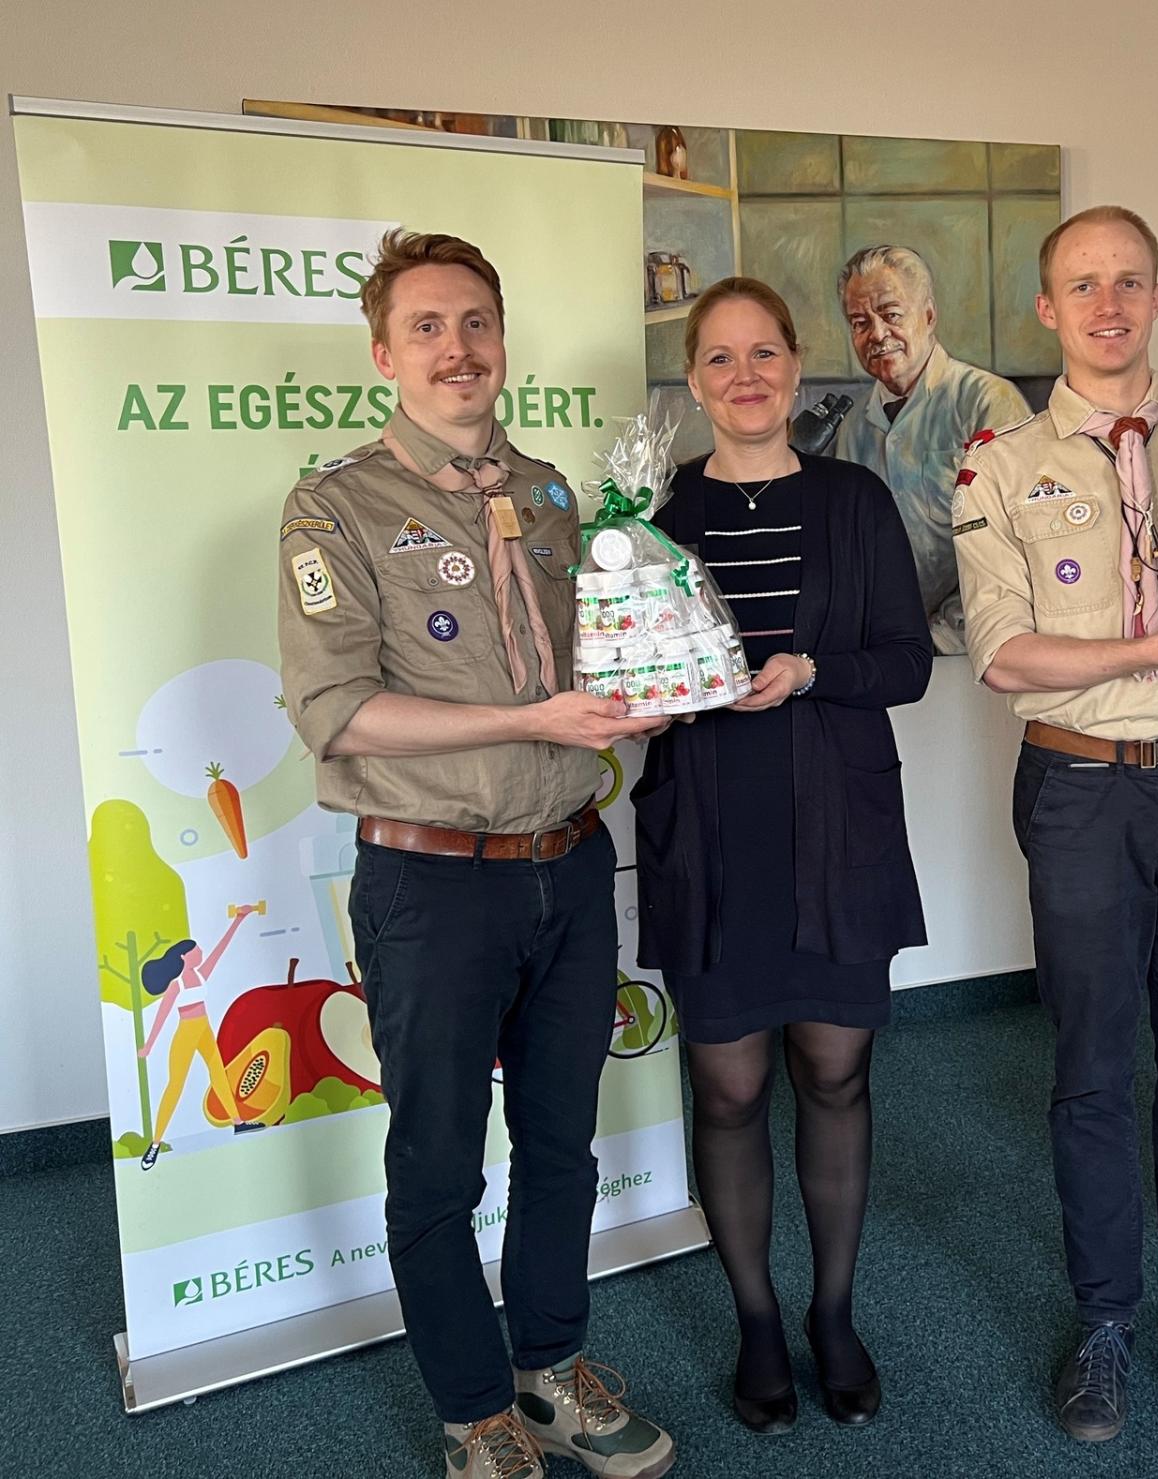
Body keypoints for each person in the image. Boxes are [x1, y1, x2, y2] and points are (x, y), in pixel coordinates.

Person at [277, 230, 674, 1479]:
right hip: (432, 879)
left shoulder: (554, 497)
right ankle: (473, 1412)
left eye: (477, 323)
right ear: (384, 355)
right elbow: (336, 711)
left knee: (561, 1145)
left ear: (502, 340)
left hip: (571, 865)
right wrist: (529, 722)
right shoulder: (335, 506)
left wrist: (652, 688)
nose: (458, 349)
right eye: (429, 327)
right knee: (439, 1162)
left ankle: (551, 1370)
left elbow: (591, 667)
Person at [953, 205, 1158, 1444]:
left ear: (1156, 295)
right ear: (1048, 308)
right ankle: (1104, 1320)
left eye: (1128, 281)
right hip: (1083, 789)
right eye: (1081, 285)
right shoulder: (998, 465)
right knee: (1091, 1069)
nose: (1107, 304)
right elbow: (1003, 654)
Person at [635, 277, 932, 1433]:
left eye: (764, 353)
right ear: (694, 382)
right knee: (728, 1089)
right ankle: (756, 1320)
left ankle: (833, 1313)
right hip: (708, 833)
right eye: (720, 358)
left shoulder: (854, 501)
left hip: (838, 831)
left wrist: (813, 673)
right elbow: (621, 674)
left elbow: (905, 661)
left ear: (796, 368)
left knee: (836, 1075)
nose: (745, 376)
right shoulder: (652, 514)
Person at [834, 245, 1032, 655]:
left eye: (891, 314)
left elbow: (1019, 546)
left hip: (976, 648)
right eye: (860, 322)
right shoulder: (853, 428)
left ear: (928, 315)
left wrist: (941, 636)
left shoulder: (988, 402)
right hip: (886, 651)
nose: (877, 334)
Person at [135, 904, 262, 1168]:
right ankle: (155, 1144)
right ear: (184, 957)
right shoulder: (177, 985)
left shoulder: (200, 975)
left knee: (218, 1074)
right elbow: (162, 1016)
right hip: (186, 1032)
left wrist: (238, 920)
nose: (201, 952)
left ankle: (238, 1122)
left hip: (203, 1028)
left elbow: (220, 950)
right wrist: (149, 1045)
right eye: (196, 951)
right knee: (175, 1085)